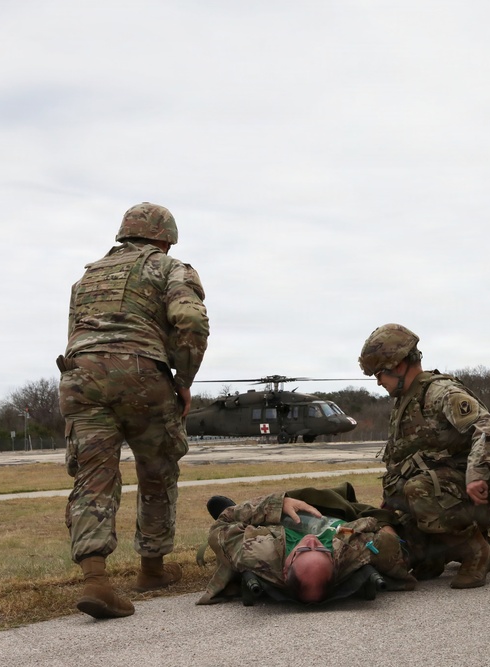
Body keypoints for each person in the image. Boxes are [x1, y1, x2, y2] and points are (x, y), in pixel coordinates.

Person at [58, 202, 209, 619]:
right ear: (165, 237)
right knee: (157, 469)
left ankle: (96, 581)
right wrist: (183, 378)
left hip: (80, 375)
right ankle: (152, 569)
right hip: (141, 372)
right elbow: (191, 321)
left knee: (92, 475)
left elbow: (75, 331)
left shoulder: (87, 276)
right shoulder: (169, 267)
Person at [359, 323, 490, 589]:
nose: (378, 381)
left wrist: (476, 476)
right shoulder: (404, 401)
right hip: (441, 495)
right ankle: (436, 555)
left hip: (473, 498)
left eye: (380, 373)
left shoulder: (439, 393)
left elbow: (488, 428)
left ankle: (478, 553)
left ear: (398, 365)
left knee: (417, 488)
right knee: (398, 532)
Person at [197, 483, 415, 605]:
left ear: (285, 568)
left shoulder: (258, 551)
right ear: (334, 563)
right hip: (338, 513)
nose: (312, 541)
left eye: (302, 551)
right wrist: (388, 530)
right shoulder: (352, 554)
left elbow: (221, 524)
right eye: (321, 550)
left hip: (281, 518)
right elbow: (394, 550)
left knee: (222, 507)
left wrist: (277, 504)